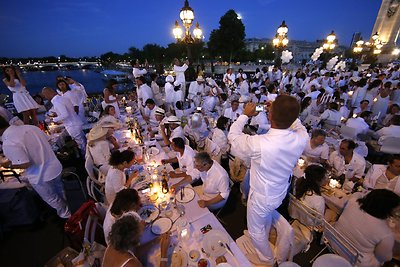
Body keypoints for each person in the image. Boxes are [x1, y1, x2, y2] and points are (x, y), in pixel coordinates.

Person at [228, 96, 308, 264]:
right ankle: (263, 236)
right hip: (279, 192)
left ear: (270, 116)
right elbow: (297, 123)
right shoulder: (302, 137)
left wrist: (245, 115)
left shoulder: (260, 143)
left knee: (255, 229)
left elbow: (233, 137)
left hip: (261, 196)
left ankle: (267, 258)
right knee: (264, 218)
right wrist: (281, 111)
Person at [0, 116, 70, 218]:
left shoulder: (9, 142)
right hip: (54, 167)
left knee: (52, 198)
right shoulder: (30, 128)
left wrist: (8, 165)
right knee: (62, 190)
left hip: (40, 175)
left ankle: (68, 216)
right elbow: (47, 140)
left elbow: (25, 164)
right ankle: (74, 208)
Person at [334, 189, 400, 267]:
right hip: (354, 261)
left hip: (334, 243)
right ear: (386, 210)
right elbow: (385, 257)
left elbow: (357, 194)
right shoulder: (386, 233)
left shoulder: (352, 202)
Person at [103, 214, 171, 267]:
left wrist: (155, 240)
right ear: (134, 241)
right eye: (141, 234)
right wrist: (164, 253)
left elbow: (136, 252)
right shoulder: (131, 264)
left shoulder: (114, 243)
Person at [42, 87, 86, 153]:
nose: (45, 97)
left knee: (81, 144)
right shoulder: (61, 98)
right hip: (76, 122)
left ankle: (86, 159)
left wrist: (53, 119)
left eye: (45, 95)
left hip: (72, 125)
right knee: (83, 142)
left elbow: (65, 114)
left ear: (48, 93)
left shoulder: (57, 101)